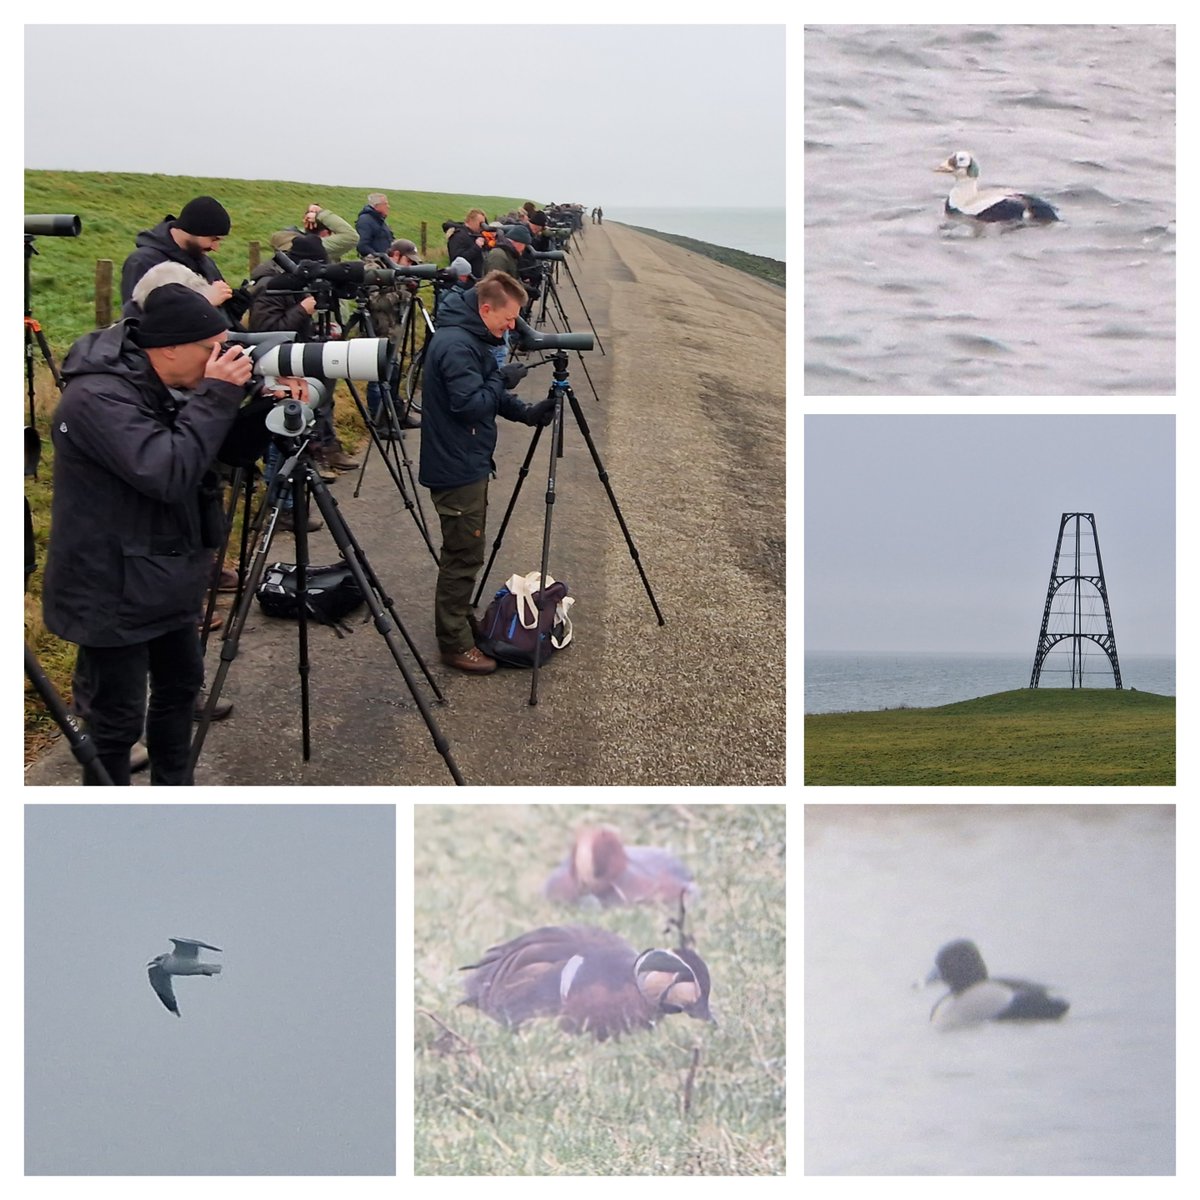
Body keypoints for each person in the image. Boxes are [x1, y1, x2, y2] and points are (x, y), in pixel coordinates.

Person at [42, 284, 254, 784]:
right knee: (115, 721)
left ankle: (173, 796)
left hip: (166, 571)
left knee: (180, 692)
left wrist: (266, 410)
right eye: (212, 350)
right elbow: (166, 471)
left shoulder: (167, 382)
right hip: (110, 585)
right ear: (169, 348)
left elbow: (214, 452)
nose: (220, 358)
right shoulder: (96, 397)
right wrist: (218, 394)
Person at [418, 271, 556, 673]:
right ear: (485, 309)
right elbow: (471, 404)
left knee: (466, 551)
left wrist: (528, 413)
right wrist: (499, 378)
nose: (512, 327)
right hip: (455, 467)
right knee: (462, 556)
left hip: (466, 460)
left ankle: (461, 624)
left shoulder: (470, 338)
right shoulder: (456, 345)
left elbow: (486, 395)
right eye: (508, 318)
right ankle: (455, 645)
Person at [120, 195, 249, 325]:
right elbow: (138, 322)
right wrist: (204, 302)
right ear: (193, 229)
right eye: (213, 239)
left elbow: (214, 318)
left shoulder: (204, 262)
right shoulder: (143, 262)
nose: (215, 248)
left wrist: (233, 309)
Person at [362, 238, 424, 432]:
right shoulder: (372, 269)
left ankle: (397, 415)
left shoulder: (396, 271)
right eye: (409, 261)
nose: (410, 266)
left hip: (391, 333)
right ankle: (378, 422)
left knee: (394, 374)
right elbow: (375, 302)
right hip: (375, 333)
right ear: (396, 255)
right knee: (378, 378)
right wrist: (402, 293)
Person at [270, 202, 356, 262]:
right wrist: (320, 214)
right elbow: (351, 237)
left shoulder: (286, 241)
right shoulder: (315, 247)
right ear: (326, 233)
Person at [445, 208, 488, 278]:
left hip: (475, 279)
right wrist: (476, 247)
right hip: (464, 280)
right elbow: (457, 260)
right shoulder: (458, 236)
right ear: (471, 221)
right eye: (480, 223)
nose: (482, 226)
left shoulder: (474, 235)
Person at [356, 193, 393, 258]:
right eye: (385, 204)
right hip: (375, 263)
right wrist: (379, 257)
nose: (388, 206)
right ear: (376, 206)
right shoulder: (365, 220)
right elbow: (362, 245)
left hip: (387, 261)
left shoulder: (380, 220)